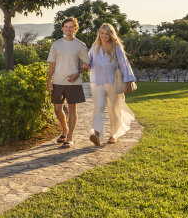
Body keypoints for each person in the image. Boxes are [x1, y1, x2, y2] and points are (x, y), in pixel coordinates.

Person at [86, 22, 137, 147]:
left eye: (107, 34)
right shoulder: (94, 48)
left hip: (113, 84)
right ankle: (96, 134)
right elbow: (88, 63)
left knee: (114, 109)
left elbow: (125, 65)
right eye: (102, 33)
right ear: (99, 34)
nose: (104, 36)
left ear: (111, 35)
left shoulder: (116, 48)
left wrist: (129, 82)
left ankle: (114, 134)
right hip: (97, 83)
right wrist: (82, 66)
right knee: (98, 109)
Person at [47, 17, 89, 148]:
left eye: (71, 27)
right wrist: (49, 81)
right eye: (66, 27)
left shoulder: (80, 45)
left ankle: (70, 137)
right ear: (63, 28)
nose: (68, 29)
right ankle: (65, 129)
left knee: (72, 108)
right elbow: (52, 64)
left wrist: (78, 73)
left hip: (73, 83)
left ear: (75, 29)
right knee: (57, 108)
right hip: (58, 81)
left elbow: (86, 64)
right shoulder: (56, 44)